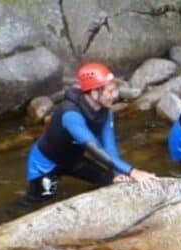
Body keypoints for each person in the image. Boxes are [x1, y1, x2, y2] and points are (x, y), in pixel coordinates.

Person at [25, 62, 157, 203]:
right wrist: (133, 172)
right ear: (94, 93)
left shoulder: (105, 111)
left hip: (73, 160)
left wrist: (119, 173)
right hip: (46, 164)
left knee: (112, 181)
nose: (115, 96)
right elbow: (95, 148)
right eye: (110, 91)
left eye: (115, 90)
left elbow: (110, 148)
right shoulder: (70, 114)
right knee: (37, 204)